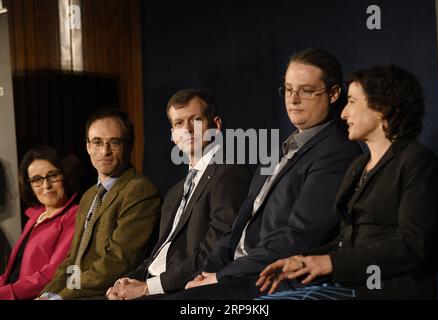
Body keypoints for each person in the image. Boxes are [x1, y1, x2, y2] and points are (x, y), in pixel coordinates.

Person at [162, 48, 362, 300]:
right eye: (288, 90)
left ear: (333, 94)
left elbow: (297, 237)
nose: (293, 99)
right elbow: (237, 227)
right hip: (234, 275)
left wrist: (221, 276)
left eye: (306, 90)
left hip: (268, 281)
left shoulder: (337, 153)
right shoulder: (279, 150)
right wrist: (208, 271)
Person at [256, 64, 438, 300]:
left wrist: (330, 263)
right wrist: (302, 260)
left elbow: (411, 245)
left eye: (352, 102)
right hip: (349, 286)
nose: (344, 113)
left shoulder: (417, 163)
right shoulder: (358, 166)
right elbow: (345, 240)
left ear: (382, 108)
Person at [105, 89, 252, 300]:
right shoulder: (175, 192)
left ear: (216, 125)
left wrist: (148, 287)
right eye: (179, 123)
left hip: (186, 289)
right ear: (173, 135)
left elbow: (215, 251)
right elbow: (162, 252)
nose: (188, 130)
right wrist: (128, 280)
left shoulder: (229, 174)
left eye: (196, 120)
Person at [39, 109, 162, 299]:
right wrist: (48, 293)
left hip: (108, 293)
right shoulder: (89, 196)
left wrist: (62, 296)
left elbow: (118, 262)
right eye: (97, 142)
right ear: (88, 147)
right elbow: (73, 259)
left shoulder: (140, 191)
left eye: (115, 142)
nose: (105, 151)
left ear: (129, 146)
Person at [0, 146, 81, 299]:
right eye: (37, 179)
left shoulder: (75, 216)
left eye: (53, 175)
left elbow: (53, 274)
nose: (46, 186)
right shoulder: (35, 216)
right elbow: (13, 271)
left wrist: (5, 293)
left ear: (66, 175)